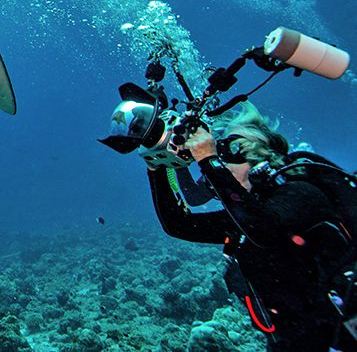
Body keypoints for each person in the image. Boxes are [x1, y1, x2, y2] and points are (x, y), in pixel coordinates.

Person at [147, 103, 356, 351]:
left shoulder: (300, 193)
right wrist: (156, 164)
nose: (222, 157)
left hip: (341, 332)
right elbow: (179, 225)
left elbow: (264, 229)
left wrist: (209, 160)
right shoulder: (247, 213)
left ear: (257, 158)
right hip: (295, 338)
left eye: (231, 149)